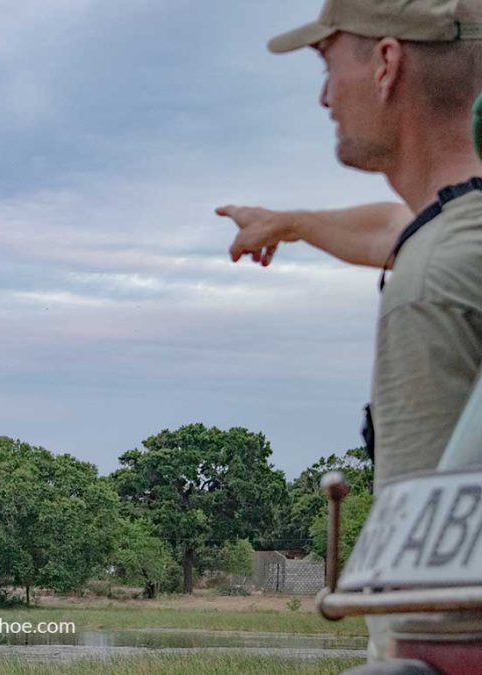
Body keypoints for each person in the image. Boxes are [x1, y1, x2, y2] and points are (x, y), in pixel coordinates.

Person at [217, 0, 482, 664]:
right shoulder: (453, 235)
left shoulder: (437, 281)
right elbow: (398, 230)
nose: (325, 96)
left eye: (328, 62)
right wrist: (291, 222)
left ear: (387, 63)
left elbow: (444, 614)